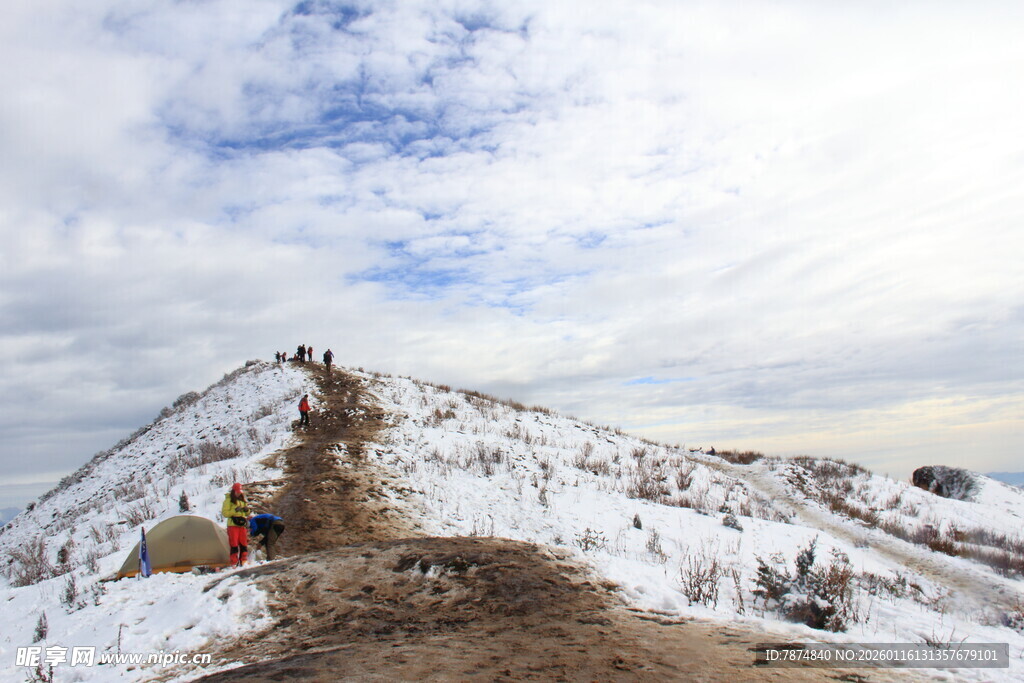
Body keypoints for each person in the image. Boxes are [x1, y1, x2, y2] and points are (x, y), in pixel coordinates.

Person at [221, 483, 251, 567]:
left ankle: (243, 560)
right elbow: (225, 513)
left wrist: (246, 510)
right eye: (237, 491)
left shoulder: (242, 500)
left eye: (240, 491)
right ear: (233, 491)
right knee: (234, 543)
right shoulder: (228, 500)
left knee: (243, 543)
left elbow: (248, 513)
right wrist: (235, 511)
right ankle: (234, 562)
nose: (239, 493)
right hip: (232, 525)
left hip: (242, 524)